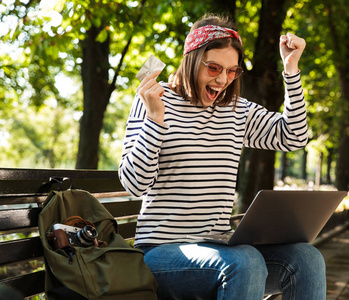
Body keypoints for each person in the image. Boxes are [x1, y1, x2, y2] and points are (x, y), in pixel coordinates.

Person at [119, 13, 326, 300]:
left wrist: (291, 71)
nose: (222, 80)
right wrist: (155, 121)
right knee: (244, 262)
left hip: (220, 250)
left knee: (306, 259)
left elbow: (294, 136)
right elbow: (133, 185)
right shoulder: (155, 98)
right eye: (214, 67)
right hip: (160, 253)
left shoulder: (237, 111)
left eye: (232, 71)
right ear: (191, 58)